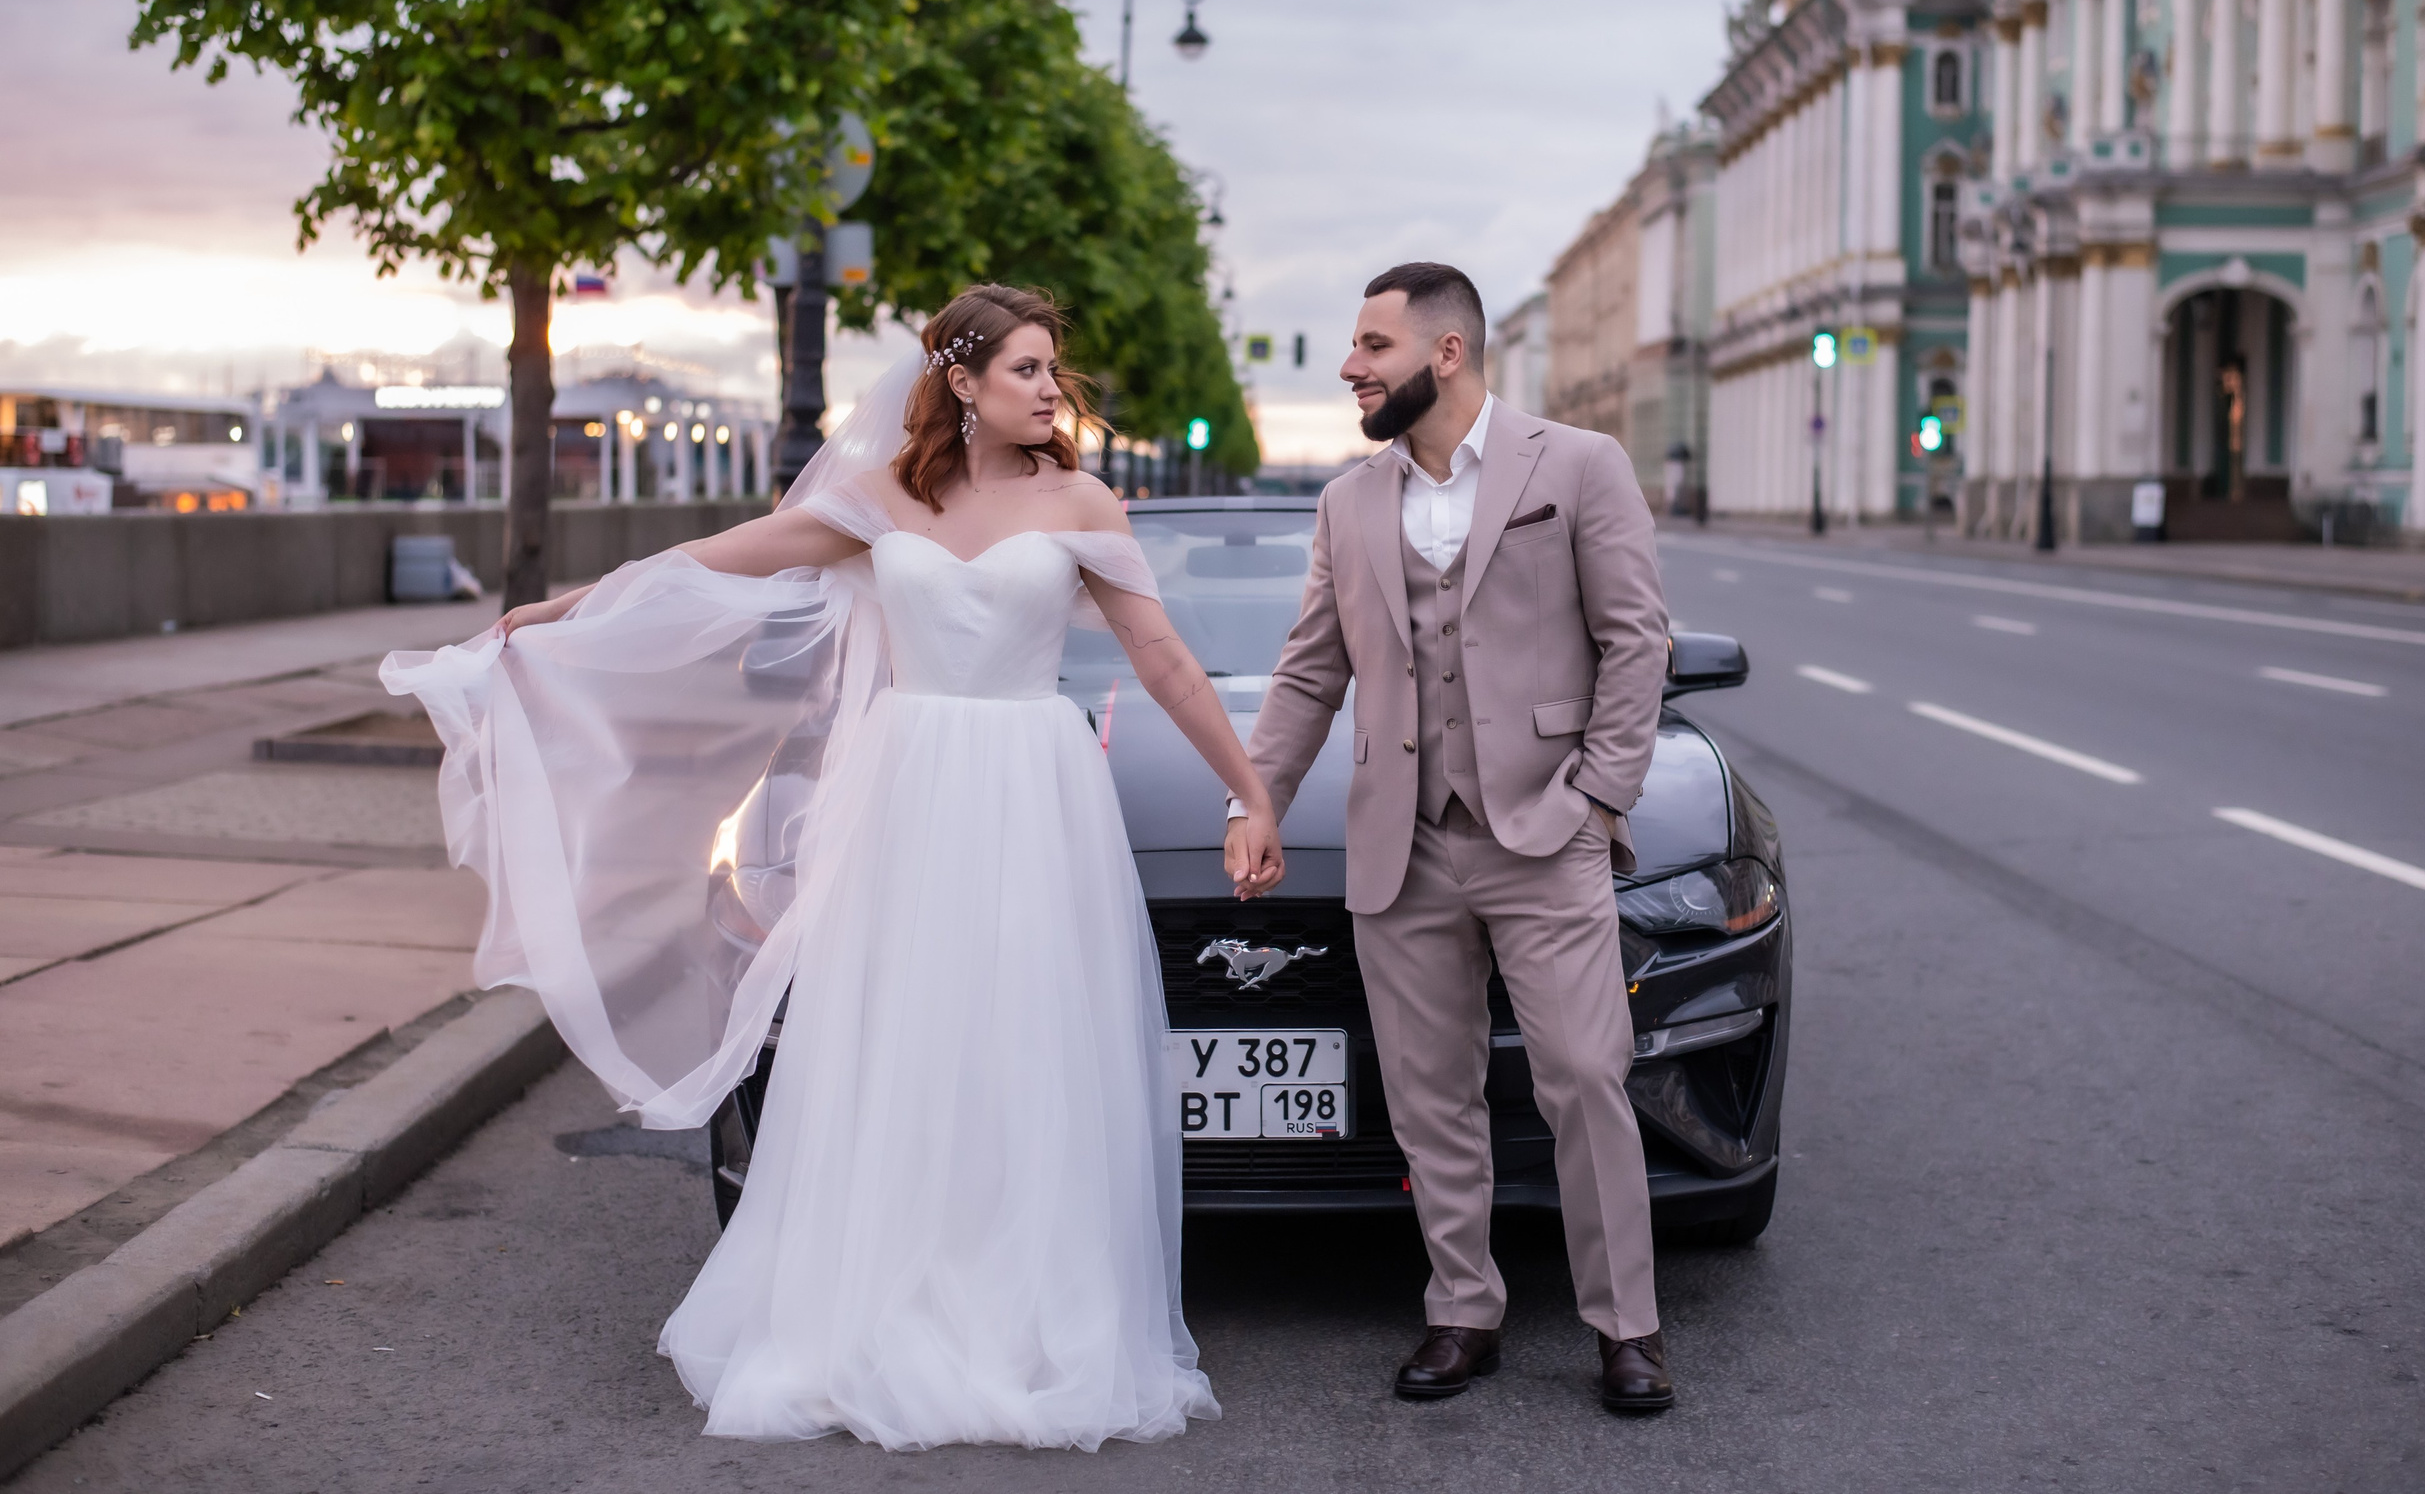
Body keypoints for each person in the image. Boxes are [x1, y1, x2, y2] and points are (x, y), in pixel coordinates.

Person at [383, 283, 1283, 1452]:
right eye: (1024, 368)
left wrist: (1249, 789)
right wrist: (565, 608)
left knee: (1022, 1035)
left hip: (1031, 789)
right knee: (902, 1035)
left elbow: (1161, 657)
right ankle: (885, 1301)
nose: (1048, 388)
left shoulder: (1081, 499)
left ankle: (1023, 1310)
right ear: (961, 382)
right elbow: (714, 561)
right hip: (908, 791)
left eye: (1050, 368)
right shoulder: (879, 499)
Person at [1223, 262, 1674, 1413]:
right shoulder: (1347, 502)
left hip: (1545, 830)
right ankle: (1462, 1308)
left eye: (1372, 345)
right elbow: (1309, 670)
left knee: (1586, 1075)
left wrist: (1599, 797)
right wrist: (1254, 799)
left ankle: (1626, 1324)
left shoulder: (1576, 464)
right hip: (1403, 839)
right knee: (1430, 1096)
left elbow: (1636, 639)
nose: (1350, 366)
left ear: (1447, 351)